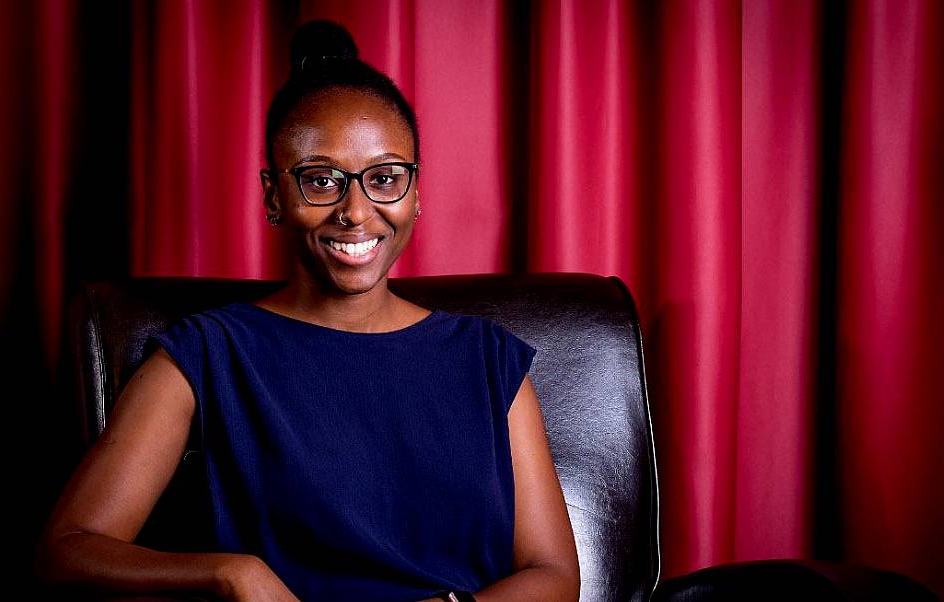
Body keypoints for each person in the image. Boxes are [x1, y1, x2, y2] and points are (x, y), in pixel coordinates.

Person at [35, 20, 579, 602]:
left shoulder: (487, 357)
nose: (356, 211)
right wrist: (232, 574)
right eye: (321, 181)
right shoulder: (209, 353)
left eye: (385, 179)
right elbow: (67, 549)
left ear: (415, 194)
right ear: (274, 196)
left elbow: (554, 576)